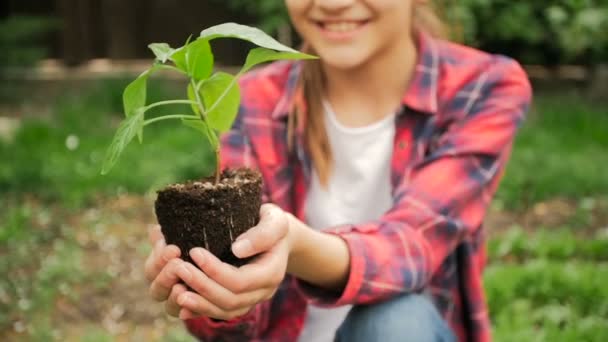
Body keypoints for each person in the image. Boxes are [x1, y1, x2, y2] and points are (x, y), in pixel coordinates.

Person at [144, 0, 532, 341]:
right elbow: (238, 321)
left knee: (393, 321)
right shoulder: (253, 98)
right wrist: (214, 290)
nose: (332, 3)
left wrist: (293, 245)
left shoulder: (481, 87)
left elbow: (412, 244)